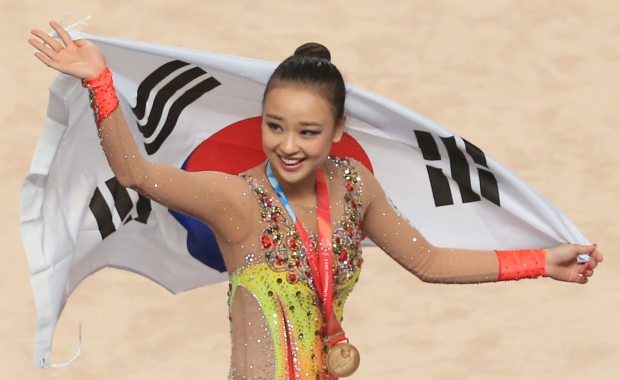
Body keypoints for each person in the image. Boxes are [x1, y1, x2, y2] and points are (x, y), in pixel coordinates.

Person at [29, 21, 602, 380]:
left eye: (307, 132)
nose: (288, 145)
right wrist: (100, 83)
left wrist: (537, 263)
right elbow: (133, 173)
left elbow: (428, 261)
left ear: (337, 129)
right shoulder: (238, 200)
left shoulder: (355, 186)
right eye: (275, 127)